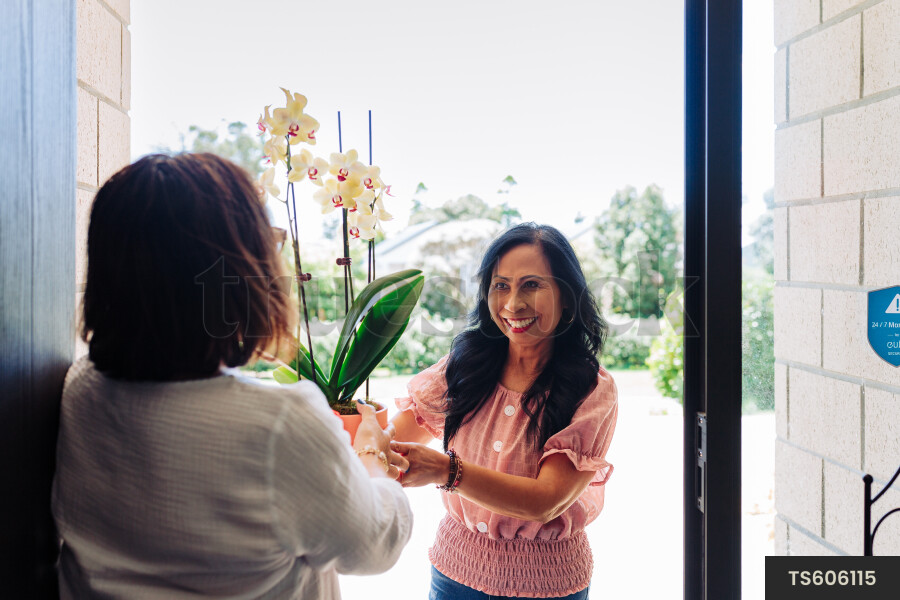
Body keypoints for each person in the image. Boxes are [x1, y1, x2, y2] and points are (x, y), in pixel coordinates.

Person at [51, 153, 412, 599]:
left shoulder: (80, 388)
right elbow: (376, 545)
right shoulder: (280, 426)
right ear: (234, 277)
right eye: (269, 245)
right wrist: (371, 455)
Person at [388, 223, 618, 599]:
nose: (513, 304)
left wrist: (445, 469)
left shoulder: (592, 388)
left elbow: (546, 501)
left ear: (566, 295)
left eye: (532, 284)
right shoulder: (464, 365)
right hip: (454, 572)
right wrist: (348, 421)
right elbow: (393, 439)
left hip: (548, 584)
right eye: (501, 285)